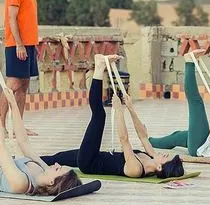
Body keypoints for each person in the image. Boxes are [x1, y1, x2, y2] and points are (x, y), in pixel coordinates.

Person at [41, 54, 185, 179]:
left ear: (159, 168)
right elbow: (143, 136)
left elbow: (124, 140)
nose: (165, 155)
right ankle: (22, 161)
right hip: (96, 154)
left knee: (99, 116)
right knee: (56, 158)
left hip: (89, 162)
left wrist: (119, 111)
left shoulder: (137, 169)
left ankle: (99, 68)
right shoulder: (152, 156)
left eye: (166, 158)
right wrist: (130, 108)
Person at [0, 83, 82, 196]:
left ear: (51, 182)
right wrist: (13, 104)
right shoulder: (42, 170)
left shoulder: (21, 184)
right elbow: (23, 141)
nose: (57, 164)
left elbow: (2, 150)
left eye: (58, 169)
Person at [1, 0, 41, 137]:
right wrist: (19, 44)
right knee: (13, 85)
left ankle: (18, 128)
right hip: (17, 45)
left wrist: (32, 44)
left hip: (29, 45)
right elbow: (11, 18)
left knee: (23, 87)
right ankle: (1, 126)